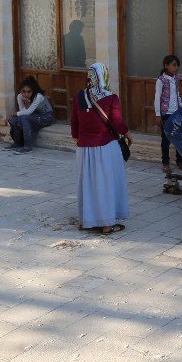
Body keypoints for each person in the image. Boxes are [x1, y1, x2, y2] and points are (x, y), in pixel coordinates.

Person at [70, 63, 131, 235]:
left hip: (84, 149)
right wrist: (128, 134)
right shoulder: (111, 98)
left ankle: (87, 221)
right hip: (105, 148)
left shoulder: (79, 98)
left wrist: (80, 137)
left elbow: (74, 125)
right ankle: (106, 224)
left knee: (88, 185)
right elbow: (116, 122)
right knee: (105, 184)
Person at [6, 76, 55, 153]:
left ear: (33, 91)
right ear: (21, 91)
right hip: (31, 116)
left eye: (29, 92)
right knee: (13, 120)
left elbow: (27, 113)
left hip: (45, 116)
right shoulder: (19, 96)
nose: (26, 94)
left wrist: (14, 113)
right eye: (24, 91)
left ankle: (27, 147)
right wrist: (26, 105)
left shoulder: (38, 96)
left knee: (24, 119)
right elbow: (23, 112)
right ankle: (17, 143)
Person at [154, 54, 182, 178]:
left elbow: (177, 94)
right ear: (166, 66)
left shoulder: (176, 79)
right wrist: (157, 114)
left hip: (176, 111)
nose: (176, 68)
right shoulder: (161, 80)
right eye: (174, 65)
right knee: (166, 139)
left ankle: (180, 160)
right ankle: (165, 162)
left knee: (179, 137)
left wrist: (181, 108)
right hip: (166, 113)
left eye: (177, 65)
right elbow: (157, 97)